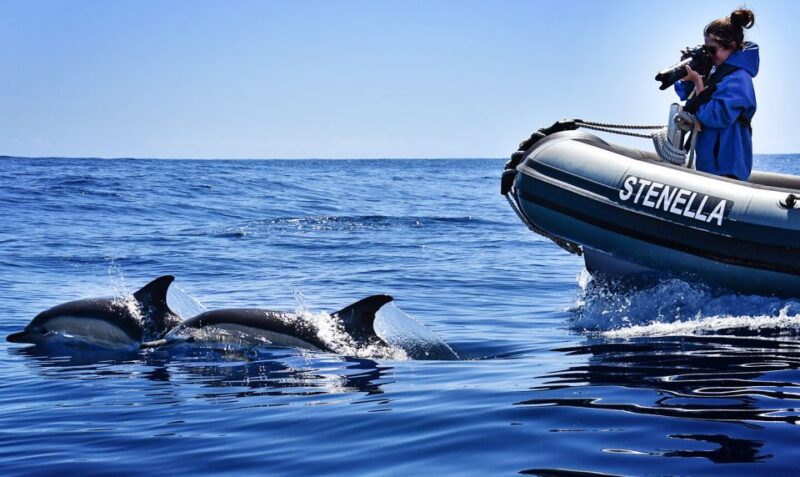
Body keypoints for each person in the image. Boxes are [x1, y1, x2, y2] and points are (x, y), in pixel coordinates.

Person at [674, 8, 759, 180]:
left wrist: (698, 82)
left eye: (712, 50)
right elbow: (686, 95)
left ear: (731, 46)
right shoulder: (716, 74)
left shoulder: (739, 78)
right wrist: (688, 74)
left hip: (726, 166)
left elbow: (716, 116)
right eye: (706, 50)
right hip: (709, 165)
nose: (710, 55)